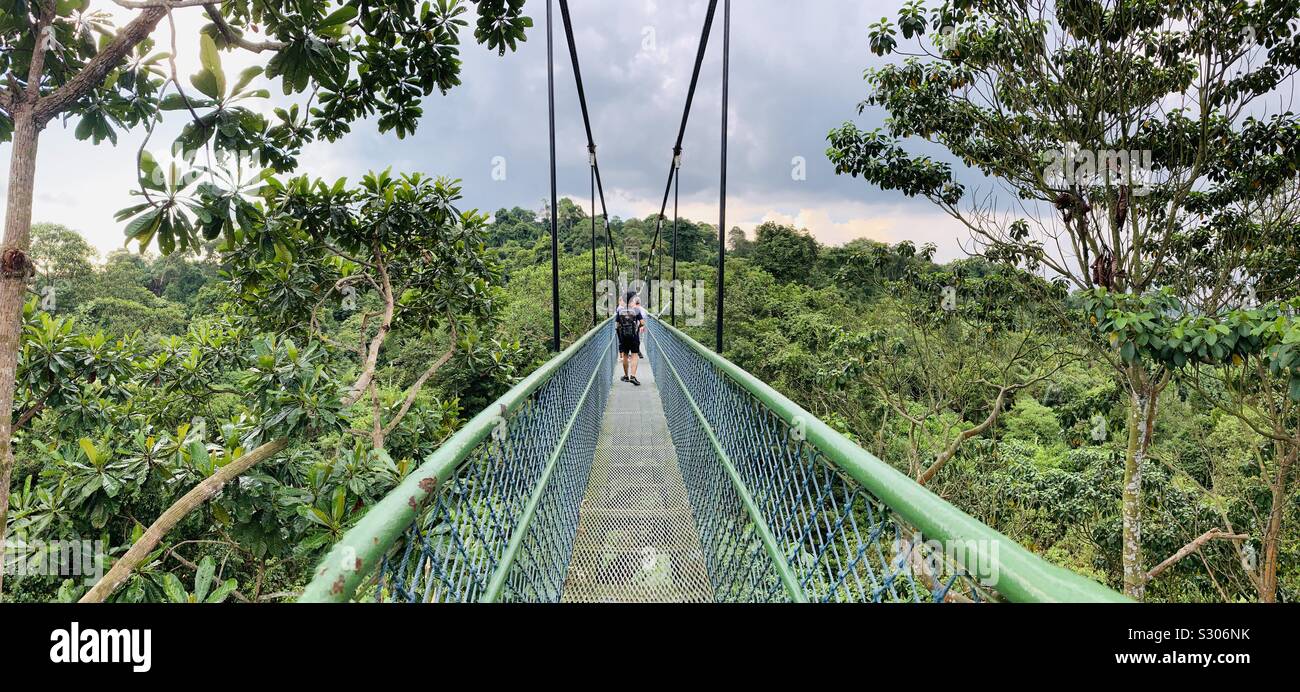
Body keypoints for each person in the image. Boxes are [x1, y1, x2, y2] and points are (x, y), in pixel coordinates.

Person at [615, 290, 647, 386]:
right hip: (634, 336)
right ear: (632, 299)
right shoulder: (636, 310)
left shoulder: (620, 310)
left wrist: (620, 335)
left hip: (623, 336)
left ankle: (626, 376)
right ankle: (633, 376)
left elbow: (617, 325)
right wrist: (639, 327)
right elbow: (642, 322)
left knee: (625, 355)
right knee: (634, 355)